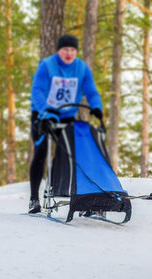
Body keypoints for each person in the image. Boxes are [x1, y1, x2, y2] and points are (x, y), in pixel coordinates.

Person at [28, 34, 103, 213]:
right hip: (43, 114)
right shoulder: (47, 65)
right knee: (41, 152)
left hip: (67, 115)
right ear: (58, 50)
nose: (69, 53)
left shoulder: (82, 69)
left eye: (72, 50)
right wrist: (46, 110)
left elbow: (91, 91)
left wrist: (96, 107)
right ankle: (34, 199)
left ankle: (83, 197)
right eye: (65, 50)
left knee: (74, 153)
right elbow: (37, 91)